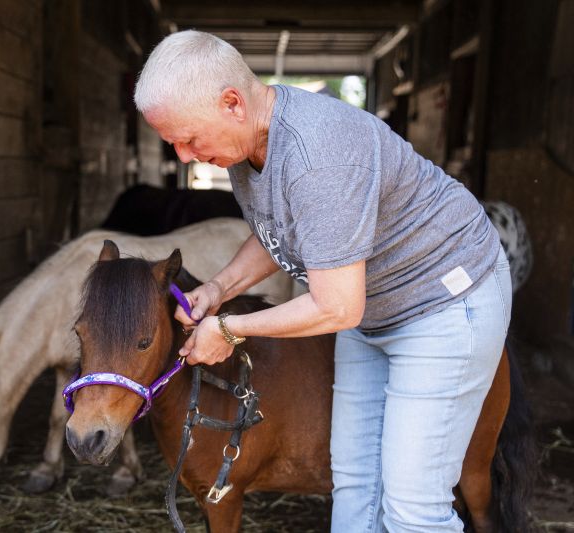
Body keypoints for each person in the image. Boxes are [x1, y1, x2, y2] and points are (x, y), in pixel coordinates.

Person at [133, 30, 512, 533]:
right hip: (375, 306)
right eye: (172, 143)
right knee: (354, 483)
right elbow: (280, 229)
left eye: (188, 138)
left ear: (232, 103)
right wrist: (219, 288)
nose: (182, 156)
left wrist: (227, 330)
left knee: (412, 506)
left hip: (443, 300)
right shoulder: (250, 146)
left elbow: (337, 308)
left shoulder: (320, 154)